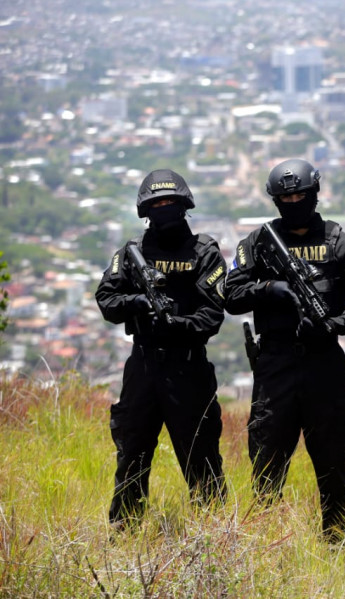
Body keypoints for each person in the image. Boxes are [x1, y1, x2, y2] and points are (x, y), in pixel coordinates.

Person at [223, 158, 345, 542]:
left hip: (324, 362)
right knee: (266, 462)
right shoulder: (259, 243)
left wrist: (331, 325)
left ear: (314, 194)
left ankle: (340, 543)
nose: (293, 201)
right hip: (275, 363)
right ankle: (263, 547)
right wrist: (267, 289)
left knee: (331, 462)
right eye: (285, 196)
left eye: (299, 195)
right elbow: (231, 294)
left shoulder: (341, 243)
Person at [95, 169, 227, 529]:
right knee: (132, 455)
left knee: (202, 460)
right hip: (143, 367)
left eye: (171, 202)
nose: (164, 208)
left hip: (188, 369)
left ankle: (216, 538)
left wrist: (177, 324)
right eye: (157, 204)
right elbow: (106, 298)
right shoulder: (134, 253)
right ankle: (125, 534)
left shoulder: (204, 252)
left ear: (184, 206)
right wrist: (139, 302)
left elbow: (212, 316)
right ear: (145, 210)